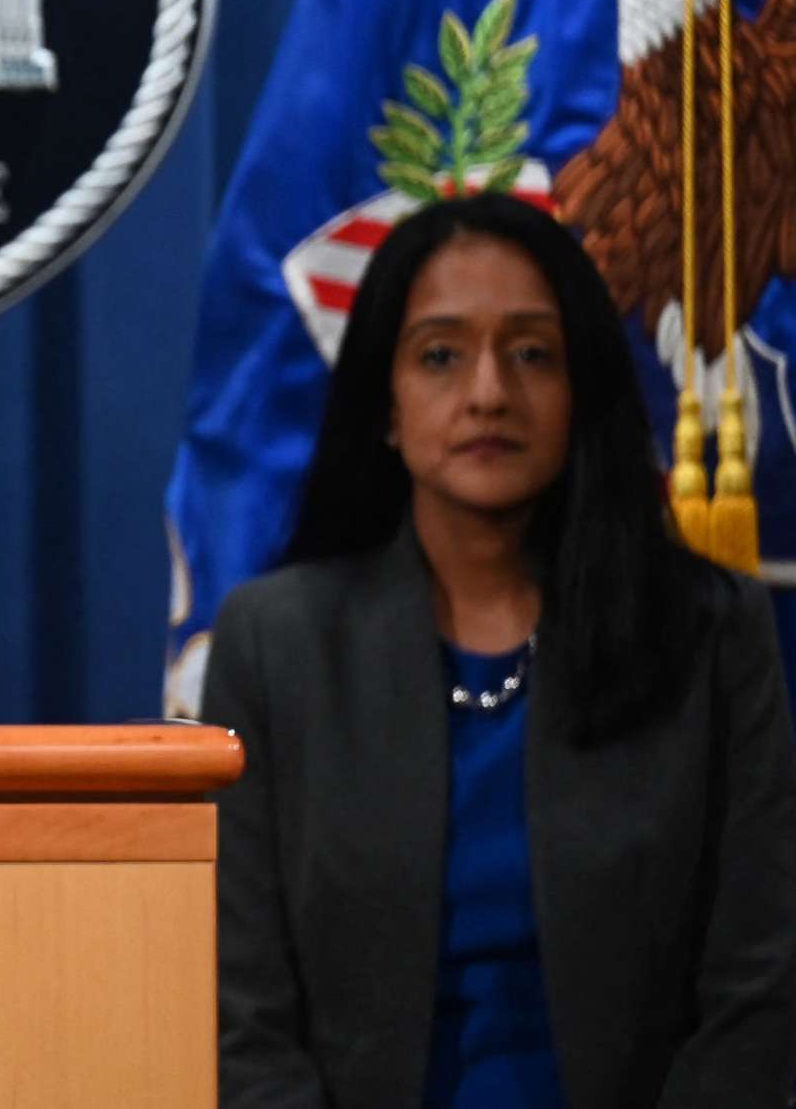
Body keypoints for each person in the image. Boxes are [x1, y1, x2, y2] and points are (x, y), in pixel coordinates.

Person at [203, 191, 796, 1108]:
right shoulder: (275, 649)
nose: (488, 392)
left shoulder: (711, 637)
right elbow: (242, 1020)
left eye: (531, 354)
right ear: (388, 406)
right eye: (441, 355)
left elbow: (757, 998)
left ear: (580, 393)